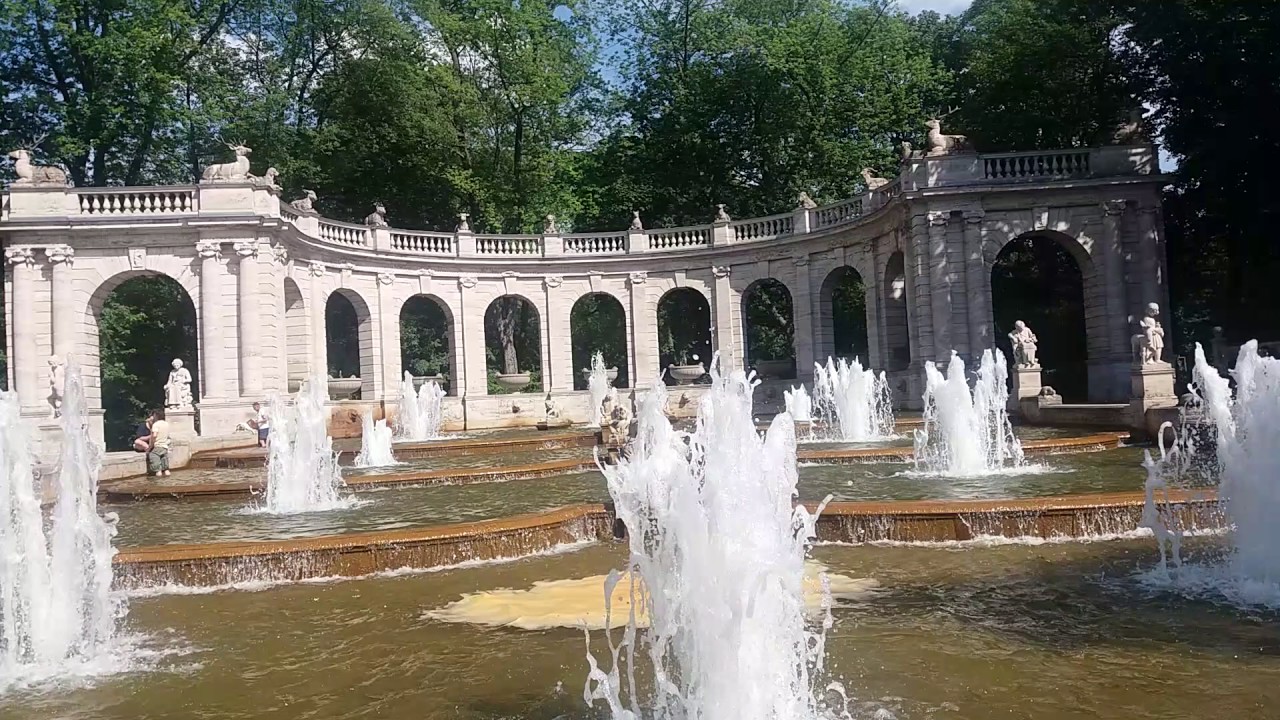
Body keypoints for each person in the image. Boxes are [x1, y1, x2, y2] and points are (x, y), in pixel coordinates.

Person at [147, 408, 172, 477]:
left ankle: (158, 483)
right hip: (165, 447)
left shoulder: (156, 424)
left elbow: (154, 435)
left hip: (157, 446)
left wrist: (150, 446)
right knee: (166, 469)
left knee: (158, 470)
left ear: (156, 415)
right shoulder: (166, 424)